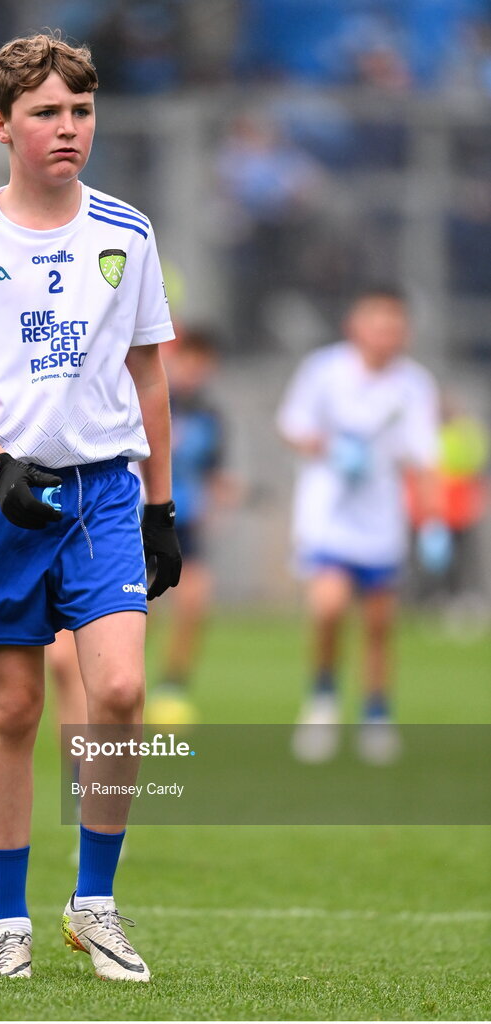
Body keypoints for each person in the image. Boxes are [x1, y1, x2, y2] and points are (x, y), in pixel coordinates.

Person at [0, 32, 181, 982]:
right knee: (16, 706)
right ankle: (6, 923)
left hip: (103, 492)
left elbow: (150, 372)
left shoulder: (126, 231)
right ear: (0, 126)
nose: (69, 129)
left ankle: (95, 902)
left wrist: (160, 505)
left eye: (82, 111)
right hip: (1, 501)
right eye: (46, 114)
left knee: (115, 692)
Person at [276, 287, 441, 764]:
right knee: (328, 607)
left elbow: (423, 458)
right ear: (355, 326)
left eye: (396, 327)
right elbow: (291, 425)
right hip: (327, 514)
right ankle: (323, 698)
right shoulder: (324, 371)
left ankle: (376, 713)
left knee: (379, 623)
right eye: (378, 325)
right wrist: (330, 448)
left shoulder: (414, 385)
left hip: (381, 519)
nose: (387, 336)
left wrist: (432, 524)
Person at [147, 326, 236, 725]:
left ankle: (173, 688)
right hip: (141, 517)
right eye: (188, 359)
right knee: (138, 611)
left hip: (186, 522)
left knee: (195, 601)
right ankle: (120, 679)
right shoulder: (145, 400)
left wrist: (221, 494)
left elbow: (214, 471)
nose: (193, 370)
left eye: (203, 363)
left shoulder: (210, 417)